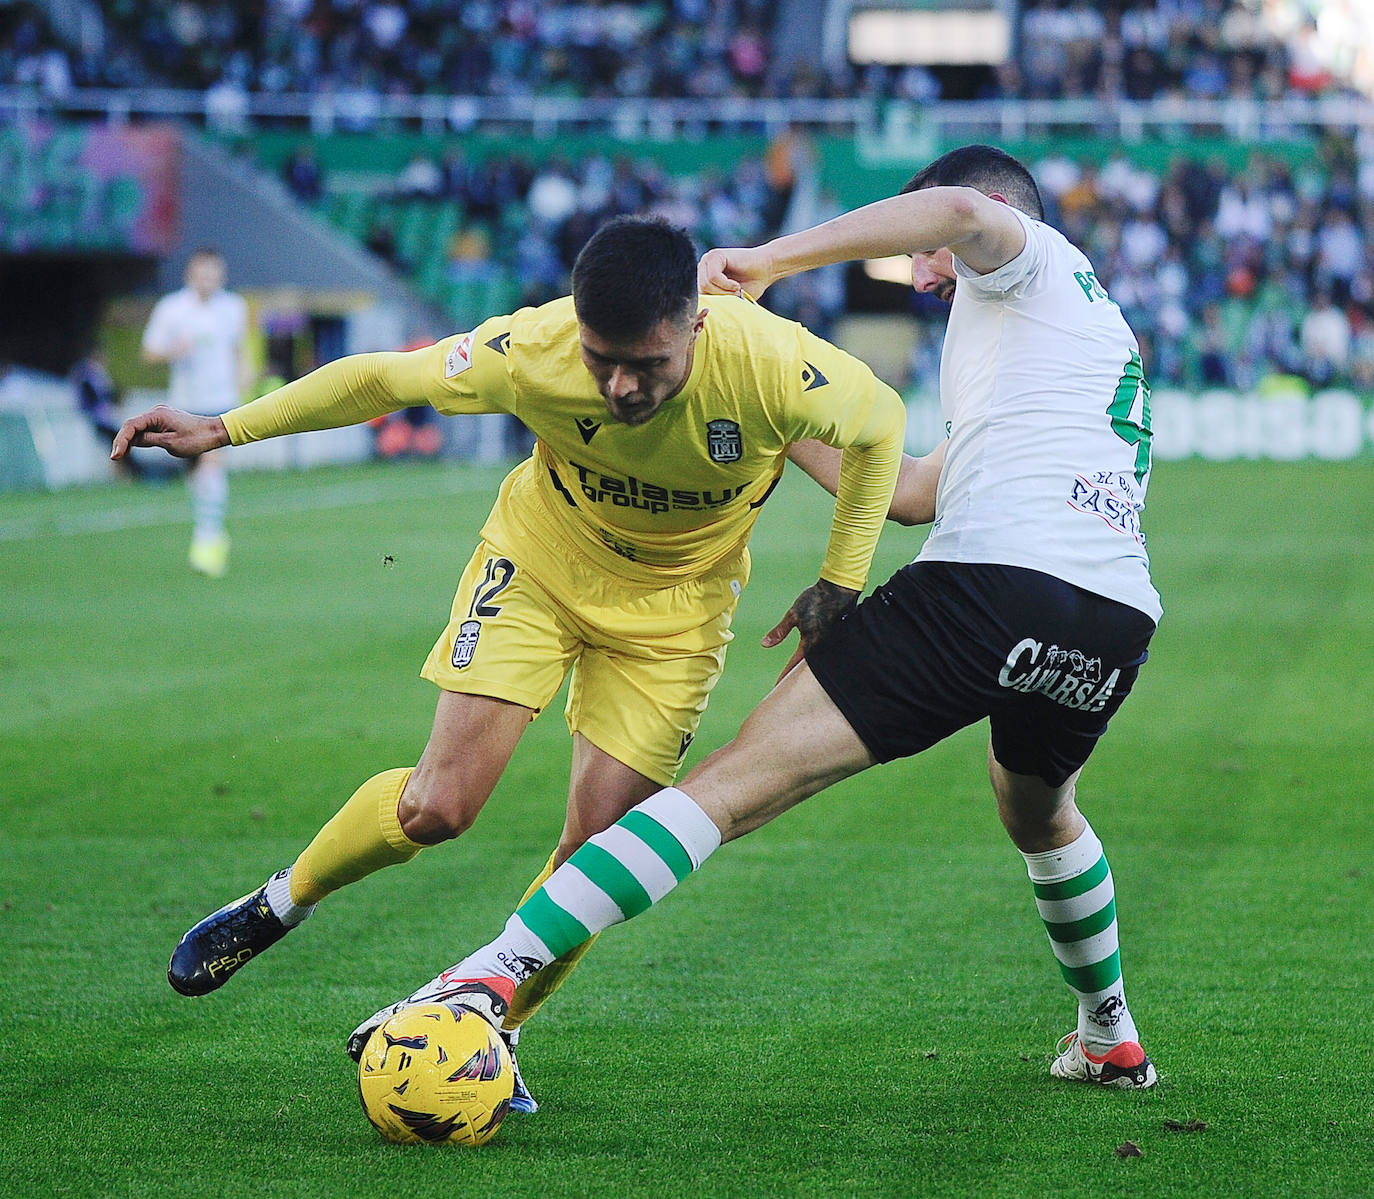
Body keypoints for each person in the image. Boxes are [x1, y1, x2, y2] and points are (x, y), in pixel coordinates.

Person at [352, 146, 1163, 1093]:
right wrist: (765, 414)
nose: (922, 274)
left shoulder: (1027, 254)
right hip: (1110, 620)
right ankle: (1107, 1030)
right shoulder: (1082, 339)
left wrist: (769, 261)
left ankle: (481, 979)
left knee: (724, 790)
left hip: (992, 585)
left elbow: (955, 212)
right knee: (1039, 808)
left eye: (926, 259)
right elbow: (905, 494)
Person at [112, 216, 906, 1113]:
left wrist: (841, 581)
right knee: (437, 807)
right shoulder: (531, 348)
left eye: (646, 365)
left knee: (597, 855)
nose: (619, 385)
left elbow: (881, 426)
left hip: (677, 618)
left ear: (698, 322)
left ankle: (494, 1020)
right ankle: (276, 903)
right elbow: (383, 377)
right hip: (538, 566)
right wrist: (223, 428)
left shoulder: (771, 363)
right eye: (603, 358)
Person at [140, 248, 253, 577]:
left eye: (214, 273)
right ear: (190, 274)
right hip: (184, 403)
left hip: (221, 400)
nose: (209, 279)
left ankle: (207, 539)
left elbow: (239, 347)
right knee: (196, 474)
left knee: (211, 462)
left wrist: (245, 377)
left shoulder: (234, 307)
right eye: (203, 273)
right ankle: (212, 530)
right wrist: (173, 351)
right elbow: (149, 352)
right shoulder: (172, 308)